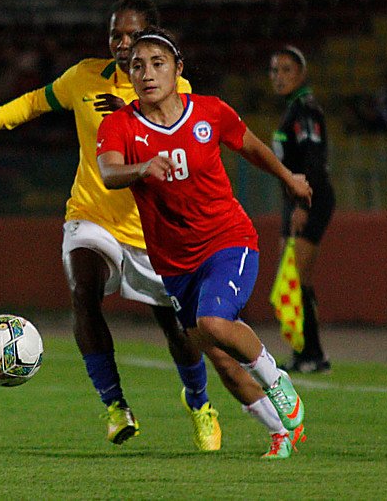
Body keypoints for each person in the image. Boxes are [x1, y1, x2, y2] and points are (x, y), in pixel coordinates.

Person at [0, 0, 227, 450]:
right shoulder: (84, 77)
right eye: (117, 34)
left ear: (155, 39)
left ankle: (199, 404)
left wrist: (132, 116)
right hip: (90, 216)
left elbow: (179, 154)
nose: (124, 43)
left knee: (176, 328)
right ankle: (115, 406)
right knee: (82, 292)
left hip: (151, 230)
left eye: (134, 35)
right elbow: (32, 103)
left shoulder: (177, 90)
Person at [97, 27, 310, 459]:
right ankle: (280, 433)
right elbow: (108, 172)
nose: (147, 73)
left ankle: (276, 378)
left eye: (158, 63)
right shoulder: (119, 124)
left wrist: (287, 177)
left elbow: (249, 145)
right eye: (137, 65)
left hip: (228, 239)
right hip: (174, 263)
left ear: (178, 69)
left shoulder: (209, 112)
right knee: (221, 359)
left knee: (214, 323)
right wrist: (140, 170)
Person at [269, 46, 335, 373]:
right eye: (275, 70)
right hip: (293, 199)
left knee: (297, 275)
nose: (279, 76)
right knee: (292, 278)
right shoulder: (292, 110)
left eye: (286, 70)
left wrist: (302, 203)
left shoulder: (306, 110)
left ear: (301, 74)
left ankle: (314, 354)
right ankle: (304, 352)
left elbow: (313, 160)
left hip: (311, 197)